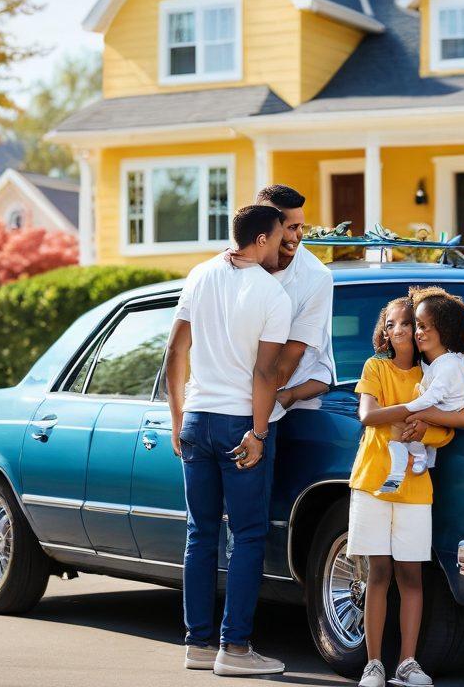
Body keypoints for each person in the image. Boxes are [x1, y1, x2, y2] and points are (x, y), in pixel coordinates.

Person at [166, 204, 291, 677]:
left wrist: (178, 419)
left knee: (200, 534)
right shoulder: (272, 294)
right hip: (240, 423)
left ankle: (197, 645)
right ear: (260, 239)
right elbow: (266, 372)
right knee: (248, 535)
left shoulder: (199, 275)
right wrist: (259, 432)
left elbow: (176, 351)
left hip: (197, 419)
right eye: (280, 237)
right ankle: (234, 649)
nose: (284, 245)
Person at [347, 294, 464, 687]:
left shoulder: (436, 372)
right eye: (393, 325)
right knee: (378, 572)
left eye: (410, 323)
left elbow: (457, 423)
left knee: (412, 575)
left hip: (415, 489)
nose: (404, 330)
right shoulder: (376, 368)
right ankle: (373, 664)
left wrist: (424, 426)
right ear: (384, 334)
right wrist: (414, 414)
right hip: (372, 483)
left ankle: (406, 663)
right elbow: (368, 415)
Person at [379, 289, 464, 492]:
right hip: (387, 471)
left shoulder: (451, 366)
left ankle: (415, 461)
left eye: (414, 325)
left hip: (424, 487)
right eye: (417, 326)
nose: (413, 332)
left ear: (445, 329)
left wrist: (423, 414)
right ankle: (400, 471)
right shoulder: (382, 368)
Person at [256, 184, 335, 414]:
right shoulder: (235, 264)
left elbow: (289, 358)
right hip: (238, 401)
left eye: (300, 227)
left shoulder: (316, 277)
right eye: (290, 227)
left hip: (293, 406)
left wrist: (251, 412)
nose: (298, 236)